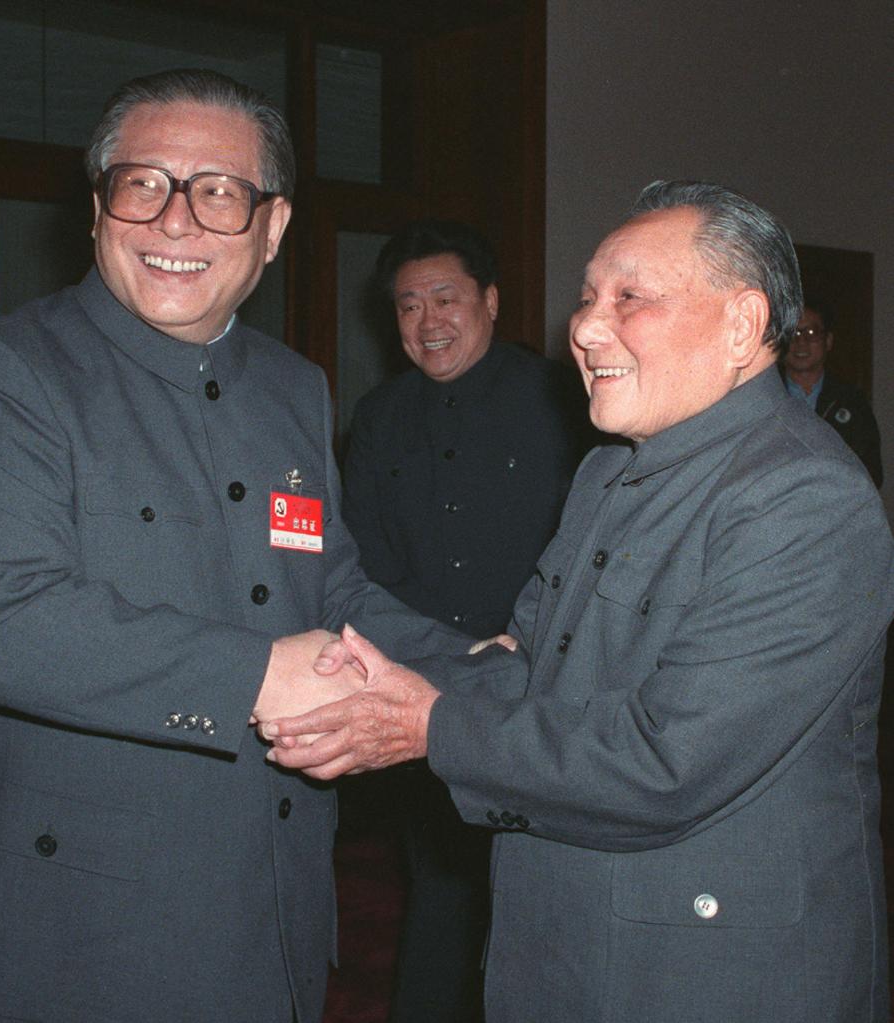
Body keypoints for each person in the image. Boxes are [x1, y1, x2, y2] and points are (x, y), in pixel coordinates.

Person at [0, 68, 472, 1023]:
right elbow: (3, 622)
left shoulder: (293, 387)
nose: (176, 221)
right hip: (71, 921)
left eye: (219, 192)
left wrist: (473, 663)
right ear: (97, 209)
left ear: (272, 228)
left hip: (270, 900)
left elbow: (331, 589)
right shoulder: (0, 372)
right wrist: (261, 677)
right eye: (143, 184)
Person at [263, 181, 894, 1023]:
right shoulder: (608, 469)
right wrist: (380, 674)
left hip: (708, 974)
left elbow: (665, 764)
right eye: (589, 297)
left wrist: (425, 724)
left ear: (742, 326)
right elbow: (528, 667)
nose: (586, 327)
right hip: (567, 943)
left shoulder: (803, 496)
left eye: (629, 298)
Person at [342, 219, 587, 1023]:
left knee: (539, 896)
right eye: (408, 305)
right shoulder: (378, 417)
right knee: (440, 886)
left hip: (536, 692)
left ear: (489, 300)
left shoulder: (562, 400)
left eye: (445, 299)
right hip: (423, 693)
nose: (427, 321)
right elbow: (364, 558)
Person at [782, 297, 883, 486]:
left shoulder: (851, 401)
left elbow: (872, 473)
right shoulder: (765, 398)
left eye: (811, 332)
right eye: (793, 333)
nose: (801, 341)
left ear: (828, 341)